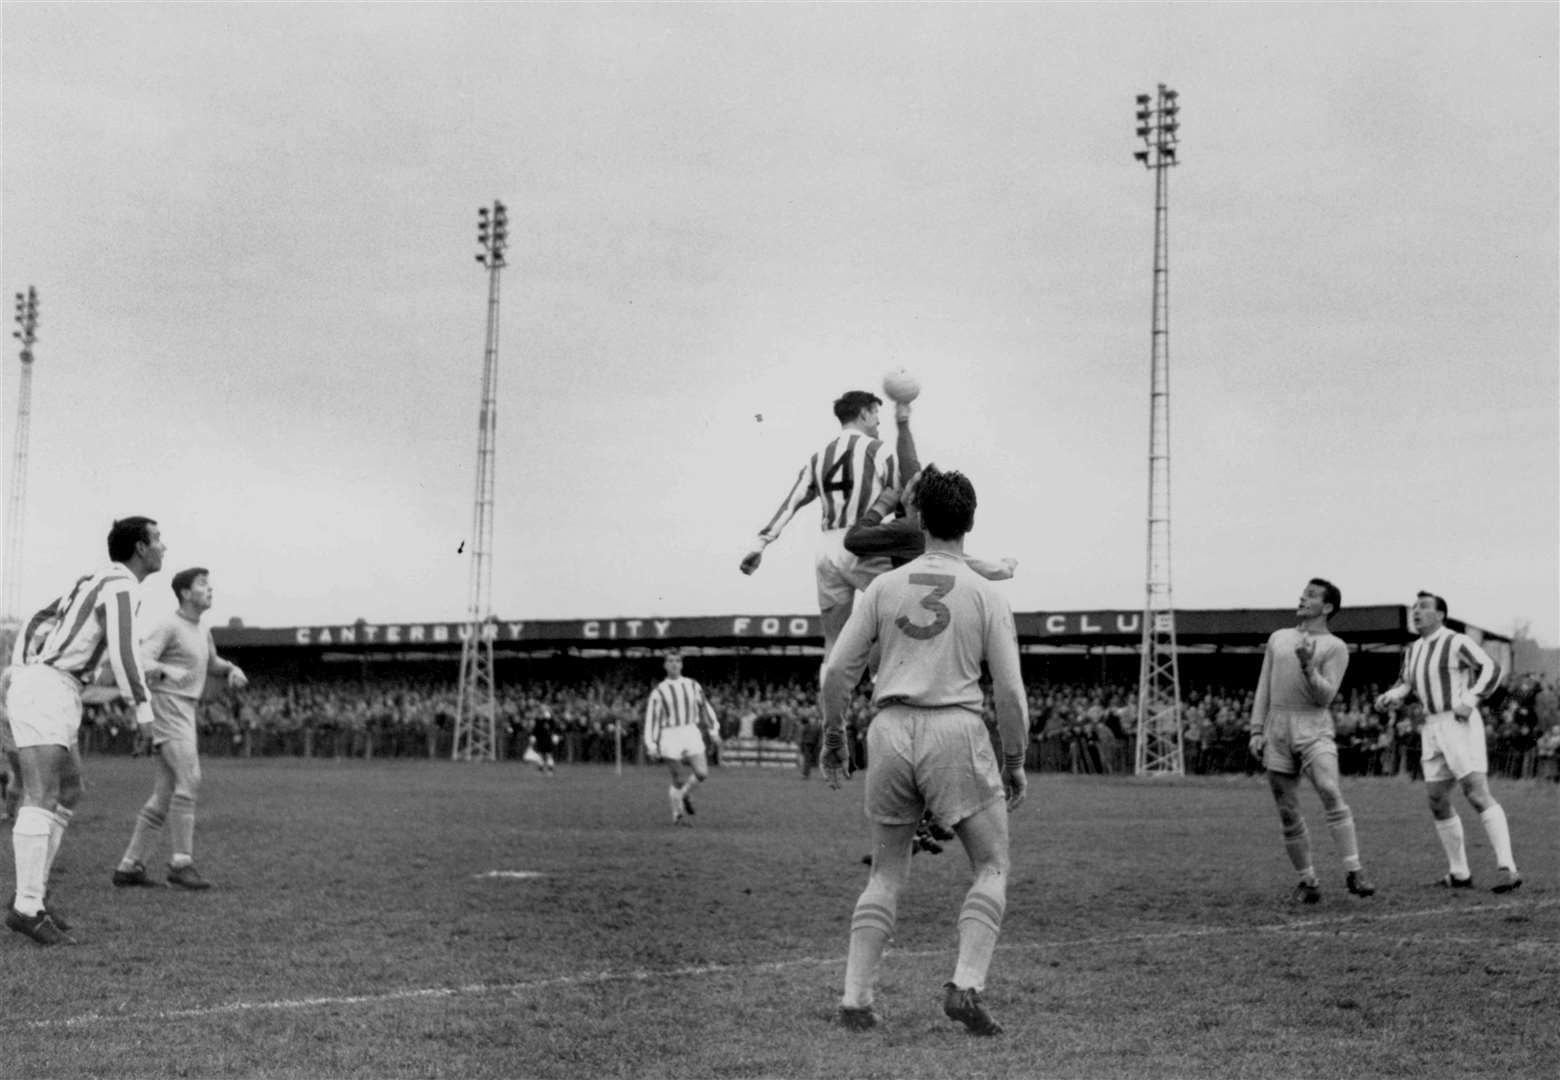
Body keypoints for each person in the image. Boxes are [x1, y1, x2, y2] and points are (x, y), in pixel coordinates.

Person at [819, 464, 1029, 1036]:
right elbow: (1009, 691)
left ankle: (855, 1001)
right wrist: (1013, 759)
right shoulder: (986, 592)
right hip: (954, 728)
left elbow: (837, 670)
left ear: (919, 520)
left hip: (888, 728)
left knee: (886, 872)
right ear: (971, 521)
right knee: (991, 863)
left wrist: (835, 735)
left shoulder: (883, 587)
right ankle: (965, 985)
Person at [5, 516, 164, 945]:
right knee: (41, 794)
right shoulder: (121, 586)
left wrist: (23, 666)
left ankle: (33, 895)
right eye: (158, 539)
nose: (164, 547)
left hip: (56, 687)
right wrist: (143, 710)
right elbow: (124, 648)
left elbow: (40, 617)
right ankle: (26, 907)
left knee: (70, 789)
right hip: (48, 686)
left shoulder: (93, 580)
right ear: (140, 549)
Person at [739, 390, 913, 660]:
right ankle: (884, 687)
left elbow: (791, 502)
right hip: (864, 542)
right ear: (864, 414)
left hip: (827, 550)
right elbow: (901, 498)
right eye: (876, 414)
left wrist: (761, 544)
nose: (878, 422)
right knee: (901, 614)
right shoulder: (879, 450)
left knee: (834, 643)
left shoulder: (818, 458)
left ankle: (830, 702)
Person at [112, 567, 247, 891]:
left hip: (184, 708)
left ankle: (129, 866)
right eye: (203, 584)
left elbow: (211, 662)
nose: (210, 589)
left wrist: (231, 668)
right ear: (186, 593)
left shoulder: (201, 629)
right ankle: (181, 863)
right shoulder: (169, 625)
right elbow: (141, 659)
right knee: (190, 779)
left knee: (164, 794)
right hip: (169, 707)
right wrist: (167, 671)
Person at [1374, 591, 1518, 893]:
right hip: (1432, 726)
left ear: (1440, 615)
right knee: (1436, 799)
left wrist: (1472, 699)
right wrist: (1391, 696)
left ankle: (1508, 869)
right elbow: (1407, 684)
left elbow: (1491, 668)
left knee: (1476, 793)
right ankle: (1460, 873)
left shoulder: (1455, 641)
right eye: (1415, 607)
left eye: (1424, 607)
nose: (1416, 612)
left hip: (1458, 722)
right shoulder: (1413, 649)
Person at [1247, 579, 1377, 904]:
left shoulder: (1335, 647)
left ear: (1328, 607)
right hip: (1277, 725)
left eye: (1311, 595)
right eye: (1303, 593)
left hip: (1313, 724)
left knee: (1330, 789)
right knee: (1287, 809)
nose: (1303, 598)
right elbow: (1264, 685)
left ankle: (1354, 870)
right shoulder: (1279, 638)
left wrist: (1307, 665)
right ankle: (1308, 881)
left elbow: (1326, 696)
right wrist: (1256, 729)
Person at [644, 651, 721, 824]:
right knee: (678, 778)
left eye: (677, 661)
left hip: (690, 731)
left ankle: (685, 793)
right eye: (670, 661)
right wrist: (652, 745)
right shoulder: (659, 691)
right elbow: (652, 720)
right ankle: (677, 815)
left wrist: (714, 730)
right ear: (665, 665)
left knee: (702, 773)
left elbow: (704, 708)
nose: (674, 664)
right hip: (670, 734)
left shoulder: (693, 685)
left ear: (682, 664)